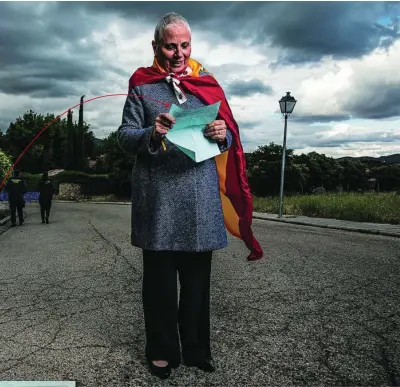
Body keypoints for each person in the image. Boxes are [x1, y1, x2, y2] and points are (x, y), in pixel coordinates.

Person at [117, 12, 263, 379]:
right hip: (159, 202)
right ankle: (162, 351)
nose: (179, 53)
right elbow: (123, 135)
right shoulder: (141, 84)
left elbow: (228, 134)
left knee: (197, 287)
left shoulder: (207, 83)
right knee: (160, 287)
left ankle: (197, 348)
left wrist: (221, 133)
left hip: (200, 201)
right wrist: (151, 132)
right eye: (170, 45)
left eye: (185, 45)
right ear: (156, 47)